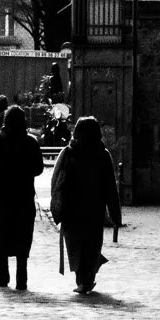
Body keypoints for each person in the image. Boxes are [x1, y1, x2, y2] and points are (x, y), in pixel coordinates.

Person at [48, 115, 122, 293]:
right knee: (91, 244)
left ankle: (83, 280)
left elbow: (55, 180)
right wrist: (114, 213)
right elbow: (110, 187)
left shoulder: (68, 152)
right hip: (94, 208)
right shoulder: (102, 155)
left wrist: (56, 203)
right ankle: (87, 278)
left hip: (71, 208)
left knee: (75, 246)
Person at [0, 104, 44, 289]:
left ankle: (1, 278)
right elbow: (39, 168)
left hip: (0, 196)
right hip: (23, 196)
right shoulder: (31, 142)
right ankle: (21, 280)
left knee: (0, 235)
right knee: (23, 236)